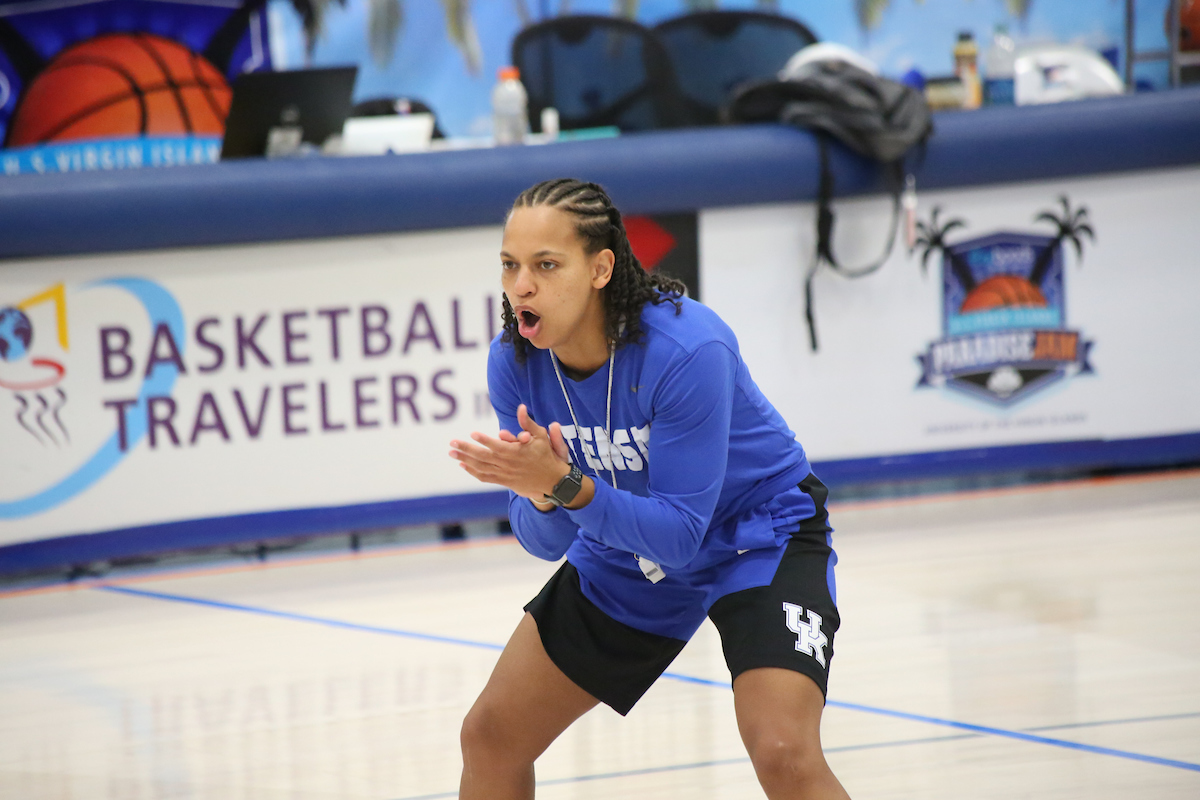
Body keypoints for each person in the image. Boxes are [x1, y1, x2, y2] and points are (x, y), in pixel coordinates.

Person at [449, 178, 850, 800]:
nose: (521, 286)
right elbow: (542, 542)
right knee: (491, 736)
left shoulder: (688, 348)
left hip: (757, 534)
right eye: (510, 265)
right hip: (628, 542)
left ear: (601, 268)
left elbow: (683, 536)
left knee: (782, 750)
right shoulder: (516, 363)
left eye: (546, 265)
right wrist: (543, 492)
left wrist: (566, 485)